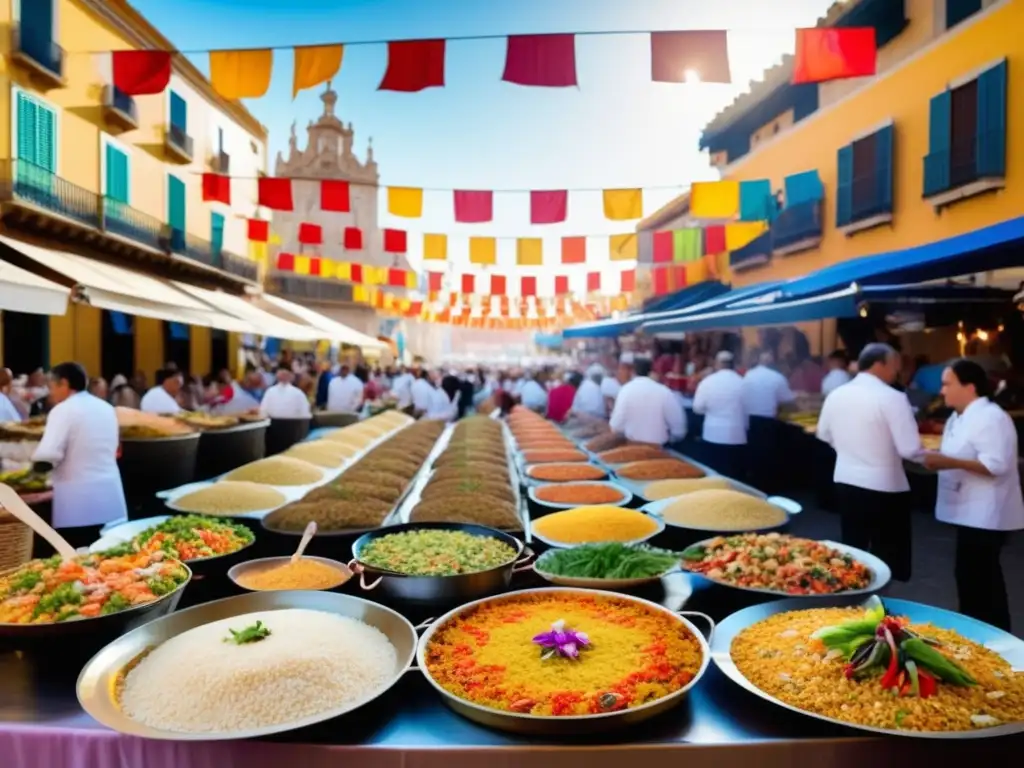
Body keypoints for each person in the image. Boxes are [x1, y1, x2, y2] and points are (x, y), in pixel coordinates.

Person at [922, 360, 1023, 631]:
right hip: (967, 510)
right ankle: (973, 633)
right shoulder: (958, 416)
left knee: (982, 578)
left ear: (969, 386)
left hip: (986, 512)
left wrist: (948, 462)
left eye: (947, 384)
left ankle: (996, 637)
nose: (942, 391)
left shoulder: (991, 417)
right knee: (967, 576)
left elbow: (996, 465)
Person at [816, 343, 921, 582]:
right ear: (879, 364)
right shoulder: (893, 397)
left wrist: (848, 450)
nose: (897, 373)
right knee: (887, 557)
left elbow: (824, 434)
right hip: (886, 485)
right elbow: (910, 449)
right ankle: (883, 608)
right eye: (895, 366)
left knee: (854, 549)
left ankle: (852, 601)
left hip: (846, 479)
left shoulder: (837, 394)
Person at [31, 362, 127, 549]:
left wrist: (27, 475)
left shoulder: (63, 410)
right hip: (111, 498)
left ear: (64, 384)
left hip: (79, 505)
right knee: (113, 561)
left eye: (52, 387)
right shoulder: (106, 408)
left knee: (80, 564)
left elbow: (47, 456)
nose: (50, 393)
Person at [692, 351, 748, 479]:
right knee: (734, 476)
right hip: (737, 435)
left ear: (717, 364)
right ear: (733, 364)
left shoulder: (708, 382)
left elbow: (697, 408)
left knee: (713, 473)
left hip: (713, 434)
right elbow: (749, 408)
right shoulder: (743, 383)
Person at [609, 357, 686, 446]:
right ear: (651, 371)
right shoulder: (664, 391)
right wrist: (672, 439)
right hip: (658, 449)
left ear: (633, 371)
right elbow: (679, 428)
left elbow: (615, 426)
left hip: (632, 447)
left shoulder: (625, 390)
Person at [741, 351, 796, 418]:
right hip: (769, 422)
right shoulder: (778, 377)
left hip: (749, 422)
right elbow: (788, 404)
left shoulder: (748, 375)